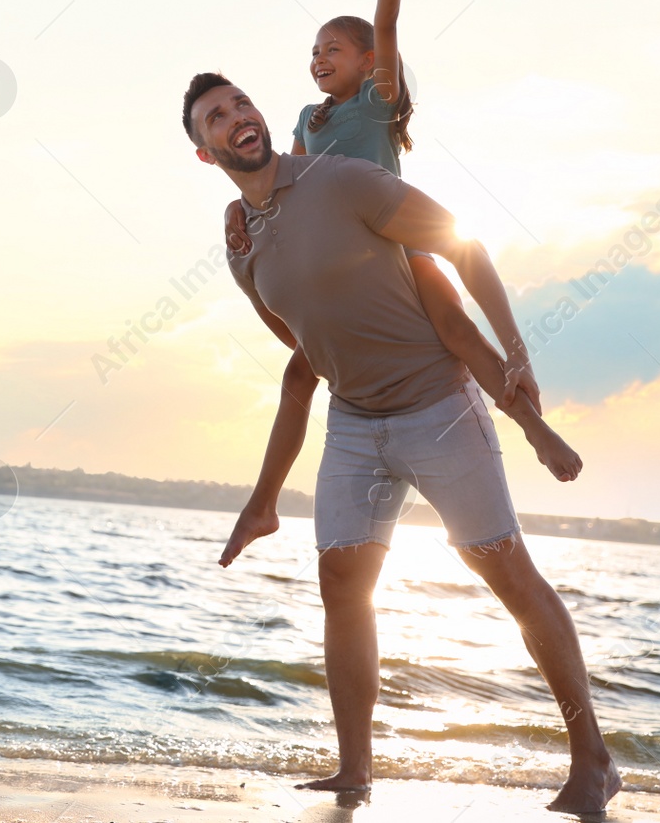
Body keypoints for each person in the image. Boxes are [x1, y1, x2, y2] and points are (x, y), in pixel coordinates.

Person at [182, 74, 620, 814]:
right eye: (215, 118)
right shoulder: (239, 242)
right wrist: (268, 491)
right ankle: (354, 771)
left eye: (240, 104)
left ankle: (594, 760)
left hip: (438, 405)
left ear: (259, 116)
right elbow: (302, 348)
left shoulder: (345, 180)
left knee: (507, 574)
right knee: (342, 587)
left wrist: (515, 354)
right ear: (205, 152)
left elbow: (462, 243)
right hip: (354, 420)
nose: (236, 118)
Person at [223, 0, 580, 493]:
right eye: (313, 51)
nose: (318, 58)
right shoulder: (303, 121)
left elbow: (386, 22)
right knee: (302, 366)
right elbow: (278, 188)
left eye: (333, 49)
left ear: (368, 62)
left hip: (395, 241)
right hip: (344, 261)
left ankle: (535, 427)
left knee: (456, 329)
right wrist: (237, 214)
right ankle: (268, 497)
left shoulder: (376, 99)